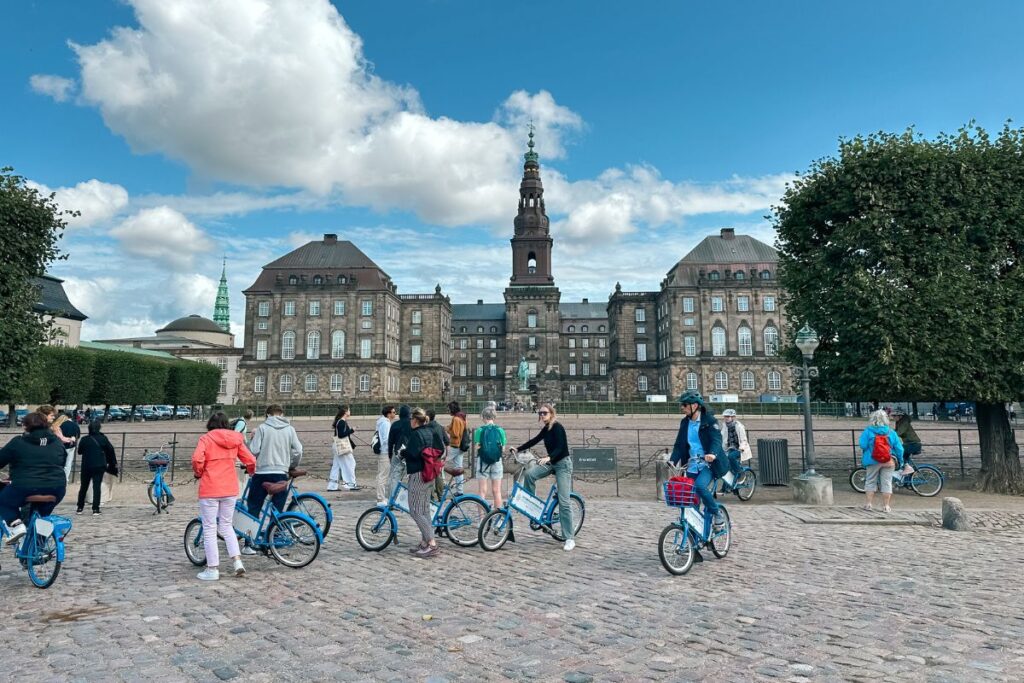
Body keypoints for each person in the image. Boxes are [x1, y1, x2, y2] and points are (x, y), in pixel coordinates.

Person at [191, 411, 256, 580]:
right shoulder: (236, 439)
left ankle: (212, 568)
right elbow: (251, 460)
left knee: (210, 528)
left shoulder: (206, 439)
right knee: (227, 526)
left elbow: (197, 459)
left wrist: (199, 473)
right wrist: (251, 471)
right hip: (229, 488)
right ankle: (237, 562)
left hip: (211, 488)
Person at [668, 392, 728, 562]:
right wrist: (673, 460)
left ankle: (717, 514)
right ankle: (695, 547)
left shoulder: (710, 422)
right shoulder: (685, 422)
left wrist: (712, 454)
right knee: (690, 505)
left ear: (695, 406)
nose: (682, 408)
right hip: (692, 465)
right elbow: (680, 445)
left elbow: (716, 440)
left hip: (709, 465)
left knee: (700, 487)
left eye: (685, 405)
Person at [510, 403, 576, 551]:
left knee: (564, 501)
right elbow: (534, 440)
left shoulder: (558, 427)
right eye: (540, 413)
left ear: (551, 414)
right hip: (551, 462)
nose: (542, 415)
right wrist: (518, 448)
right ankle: (532, 507)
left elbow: (561, 448)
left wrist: (548, 458)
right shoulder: (546, 429)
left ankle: (570, 538)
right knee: (529, 474)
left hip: (562, 464)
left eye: (544, 413)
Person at [0, 413, 68, 545]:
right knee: (42, 517)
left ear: (25, 426)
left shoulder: (18, 442)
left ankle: (15, 524)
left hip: (25, 486)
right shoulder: (58, 443)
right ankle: (38, 547)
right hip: (57, 488)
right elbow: (62, 462)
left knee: (3, 501)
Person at [246, 404, 303, 524]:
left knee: (254, 506)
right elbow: (298, 450)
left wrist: (252, 439)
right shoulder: (290, 429)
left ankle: (249, 538)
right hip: (280, 473)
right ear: (282, 414)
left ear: (267, 415)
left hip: (262, 472)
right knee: (277, 508)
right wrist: (291, 465)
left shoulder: (262, 428)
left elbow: (254, 451)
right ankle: (274, 535)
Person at [405, 408, 445, 558]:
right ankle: (424, 543)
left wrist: (403, 453)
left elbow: (412, 453)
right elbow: (440, 449)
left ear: (415, 420)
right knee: (425, 509)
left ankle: (432, 543)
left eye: (411, 419)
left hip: (418, 474)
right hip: (431, 473)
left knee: (415, 509)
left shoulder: (416, 434)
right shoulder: (431, 430)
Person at [858, 410, 904, 513]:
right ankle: (886, 506)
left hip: (871, 460)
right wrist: (900, 461)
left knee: (870, 481)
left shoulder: (868, 431)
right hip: (888, 461)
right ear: (886, 419)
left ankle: (869, 504)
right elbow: (899, 449)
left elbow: (862, 445)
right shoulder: (891, 432)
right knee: (887, 483)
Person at [75, 420, 118, 515]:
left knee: (83, 486)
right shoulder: (103, 438)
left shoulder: (85, 439)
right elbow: (110, 450)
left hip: (86, 465)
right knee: (96, 486)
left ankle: (80, 507)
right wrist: (112, 463)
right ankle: (95, 508)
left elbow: (79, 451)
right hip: (99, 465)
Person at [474, 406, 507, 509]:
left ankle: (481, 519)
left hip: (483, 462)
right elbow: (503, 448)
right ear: (494, 417)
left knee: (482, 491)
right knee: (496, 491)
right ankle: (498, 517)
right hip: (496, 461)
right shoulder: (500, 430)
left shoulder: (479, 430)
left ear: (483, 417)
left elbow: (477, 447)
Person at [718, 409, 751, 487]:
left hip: (739, 448)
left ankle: (740, 473)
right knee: (724, 465)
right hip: (729, 448)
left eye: (728, 416)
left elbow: (743, 439)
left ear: (733, 417)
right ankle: (726, 486)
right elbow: (722, 438)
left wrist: (742, 448)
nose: (726, 418)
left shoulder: (739, 426)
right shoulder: (724, 426)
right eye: (725, 416)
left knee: (731, 457)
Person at [329, 405, 359, 491]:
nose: (350, 411)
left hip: (337, 446)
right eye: (349, 410)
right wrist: (352, 430)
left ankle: (332, 486)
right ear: (345, 412)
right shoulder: (341, 422)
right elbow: (341, 435)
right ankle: (351, 484)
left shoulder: (340, 421)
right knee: (351, 464)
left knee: (336, 466)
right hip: (342, 447)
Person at [387, 405, 413, 496]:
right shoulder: (412, 424)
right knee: (412, 476)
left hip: (398, 452)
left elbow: (390, 442)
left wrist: (390, 454)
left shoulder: (395, 425)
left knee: (394, 476)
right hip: (411, 452)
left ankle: (392, 498)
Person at [425, 408, 450, 501]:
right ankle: (440, 495)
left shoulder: (425, 427)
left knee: (429, 474)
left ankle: (430, 496)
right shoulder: (439, 427)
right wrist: (446, 455)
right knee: (438, 474)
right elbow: (447, 441)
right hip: (438, 454)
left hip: (427, 454)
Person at [445, 401, 468, 496]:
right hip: (461, 446)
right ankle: (460, 490)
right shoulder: (462, 417)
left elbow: (455, 433)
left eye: (449, 409)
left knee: (440, 462)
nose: (448, 411)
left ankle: (442, 485)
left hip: (455, 445)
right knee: (458, 467)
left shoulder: (456, 419)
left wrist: (447, 430)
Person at [375, 406, 396, 504]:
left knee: (381, 474)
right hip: (384, 451)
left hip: (382, 451)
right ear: (388, 414)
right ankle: (380, 498)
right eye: (393, 412)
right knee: (383, 475)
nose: (395, 414)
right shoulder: (386, 423)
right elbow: (386, 439)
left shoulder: (381, 422)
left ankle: (381, 497)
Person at [51, 411, 81, 482]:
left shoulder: (60, 424)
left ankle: (58, 477)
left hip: (61, 446)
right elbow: (78, 436)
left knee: (60, 463)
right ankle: (66, 478)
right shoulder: (75, 425)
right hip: (71, 446)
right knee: (68, 463)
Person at [893, 407, 921, 476]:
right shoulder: (899, 422)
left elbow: (899, 433)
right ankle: (906, 472)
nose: (893, 417)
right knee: (901, 454)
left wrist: (890, 435)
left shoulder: (904, 422)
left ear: (900, 416)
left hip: (913, 444)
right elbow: (895, 432)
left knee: (900, 453)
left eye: (894, 416)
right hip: (909, 443)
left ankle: (907, 468)